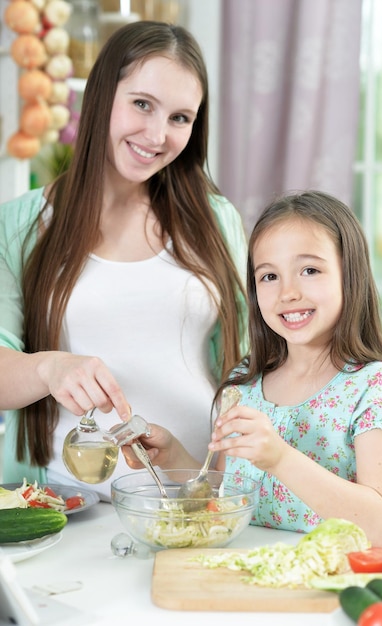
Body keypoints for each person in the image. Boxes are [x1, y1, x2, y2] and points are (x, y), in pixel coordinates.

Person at [0, 21, 248, 500]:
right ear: (100, 98)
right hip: (68, 504)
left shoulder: (216, 220)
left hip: (194, 496)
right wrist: (49, 369)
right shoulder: (20, 225)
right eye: (141, 104)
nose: (157, 135)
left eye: (180, 118)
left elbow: (254, 366)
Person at [125, 190, 382, 547]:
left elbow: (379, 526)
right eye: (269, 276)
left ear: (350, 274)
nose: (288, 292)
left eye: (309, 270)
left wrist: (280, 458)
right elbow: (225, 494)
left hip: (332, 587)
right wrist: (171, 455)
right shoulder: (243, 384)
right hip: (251, 577)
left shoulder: (376, 387)